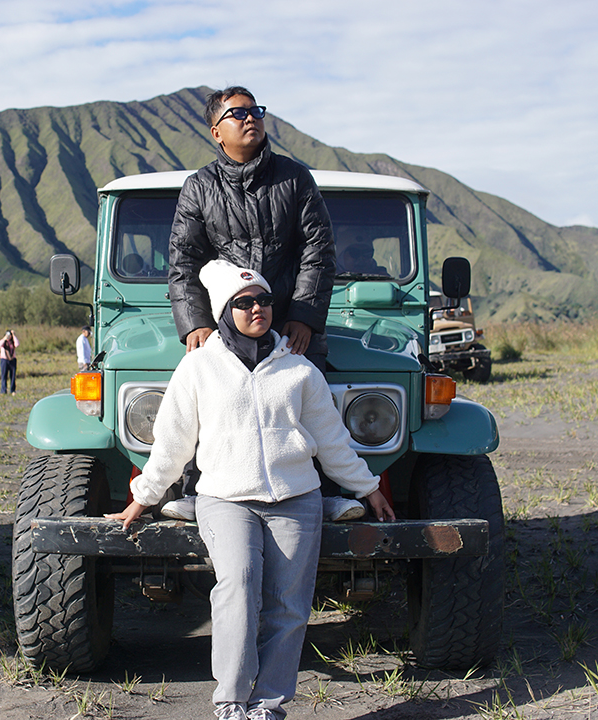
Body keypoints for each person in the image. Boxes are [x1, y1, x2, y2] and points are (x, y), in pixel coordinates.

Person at [107, 260, 396, 720]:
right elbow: (173, 442)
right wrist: (143, 497)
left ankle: (269, 706)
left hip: (296, 499)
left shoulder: (299, 370)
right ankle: (231, 700)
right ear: (225, 311)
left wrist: (368, 488)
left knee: (290, 605)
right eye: (244, 303)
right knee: (237, 587)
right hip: (225, 498)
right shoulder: (198, 368)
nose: (257, 308)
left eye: (264, 300)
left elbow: (332, 440)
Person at [165, 85, 361, 523]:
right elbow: (184, 260)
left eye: (255, 110)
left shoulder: (295, 178)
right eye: (238, 113)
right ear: (217, 131)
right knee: (208, 397)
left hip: (288, 318)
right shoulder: (199, 187)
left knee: (309, 401)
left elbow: (318, 250)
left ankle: (326, 494)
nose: (250, 118)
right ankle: (196, 491)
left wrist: (305, 316)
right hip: (225, 324)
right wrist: (196, 323)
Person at [0, 329, 18, 394]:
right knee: (4, 375)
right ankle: (3, 390)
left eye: (10, 335)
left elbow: (17, 344)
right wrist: (5, 338)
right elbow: (0, 344)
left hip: (12, 360)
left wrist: (14, 335)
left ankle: (12, 390)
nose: (9, 336)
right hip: (4, 360)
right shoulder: (3, 342)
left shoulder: (13, 342)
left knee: (13, 376)